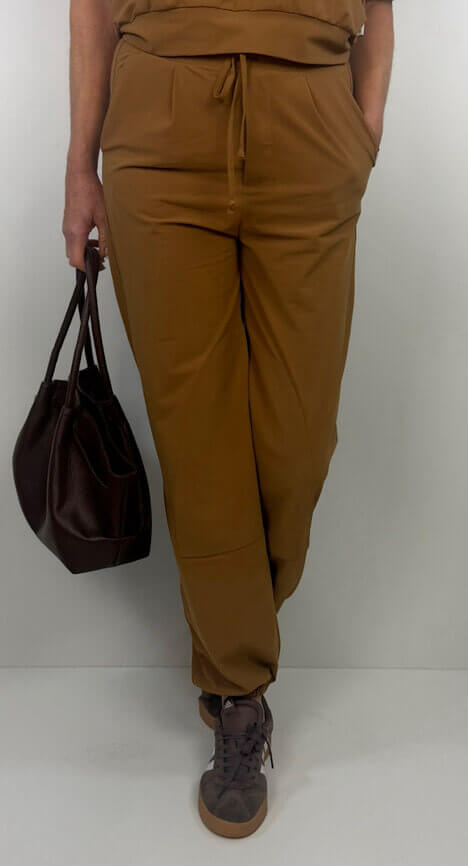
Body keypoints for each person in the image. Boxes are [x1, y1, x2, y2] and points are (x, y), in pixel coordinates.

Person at [63, 0, 394, 838]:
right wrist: (79, 164)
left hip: (311, 114)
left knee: (298, 443)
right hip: (159, 124)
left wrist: (366, 130)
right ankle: (240, 694)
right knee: (198, 442)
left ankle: (226, 641)